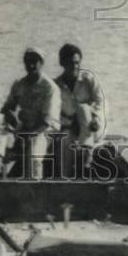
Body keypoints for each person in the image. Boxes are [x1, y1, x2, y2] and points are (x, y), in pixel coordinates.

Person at [0, 47, 61, 180]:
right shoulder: (19, 84)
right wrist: (9, 114)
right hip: (25, 128)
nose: (31, 65)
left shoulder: (50, 88)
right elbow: (6, 108)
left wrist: (26, 136)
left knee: (34, 153)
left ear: (41, 63)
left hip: (46, 130)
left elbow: (46, 122)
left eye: (35, 61)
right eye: (28, 61)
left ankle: (34, 186)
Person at [54, 43, 106, 178]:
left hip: (91, 126)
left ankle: (87, 157)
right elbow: (55, 112)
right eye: (70, 63)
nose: (74, 66)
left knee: (82, 108)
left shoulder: (88, 79)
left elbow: (100, 102)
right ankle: (65, 180)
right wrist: (69, 124)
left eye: (77, 62)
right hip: (69, 127)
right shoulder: (56, 85)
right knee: (64, 142)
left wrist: (95, 118)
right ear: (62, 62)